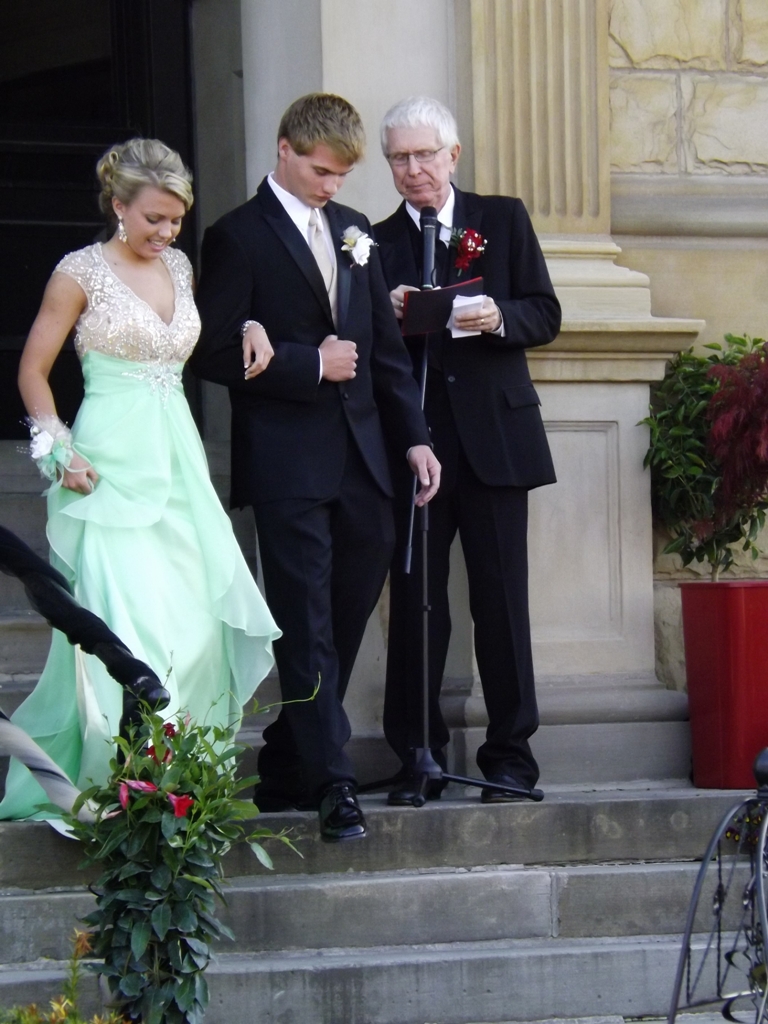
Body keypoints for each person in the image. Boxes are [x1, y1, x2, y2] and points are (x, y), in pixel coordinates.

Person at [0, 139, 280, 821]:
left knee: (194, 628)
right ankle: (116, 785)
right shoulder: (78, 272)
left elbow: (208, 334)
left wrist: (251, 324)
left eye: (176, 220)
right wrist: (57, 449)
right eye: (154, 218)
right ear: (118, 205)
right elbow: (32, 370)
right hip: (107, 468)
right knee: (125, 625)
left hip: (177, 464)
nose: (167, 233)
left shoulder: (180, 267)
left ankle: (175, 788)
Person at [191, 93, 440, 843]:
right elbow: (211, 352)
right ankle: (334, 784)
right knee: (305, 624)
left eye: (341, 175)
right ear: (285, 149)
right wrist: (309, 364)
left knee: (343, 616)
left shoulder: (356, 230)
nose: (332, 186)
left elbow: (385, 351)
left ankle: (284, 761)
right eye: (321, 171)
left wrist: (416, 439)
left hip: (365, 461)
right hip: (287, 463)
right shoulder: (237, 235)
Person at [374, 96, 561, 804]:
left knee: (501, 603)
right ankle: (417, 755)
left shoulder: (501, 218)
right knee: (417, 605)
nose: (413, 169)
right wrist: (384, 313)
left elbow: (545, 312)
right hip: (415, 446)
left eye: (424, 154)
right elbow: (362, 346)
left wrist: (497, 315)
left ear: (452, 155)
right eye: (399, 157)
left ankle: (510, 758)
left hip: (495, 440)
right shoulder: (371, 241)